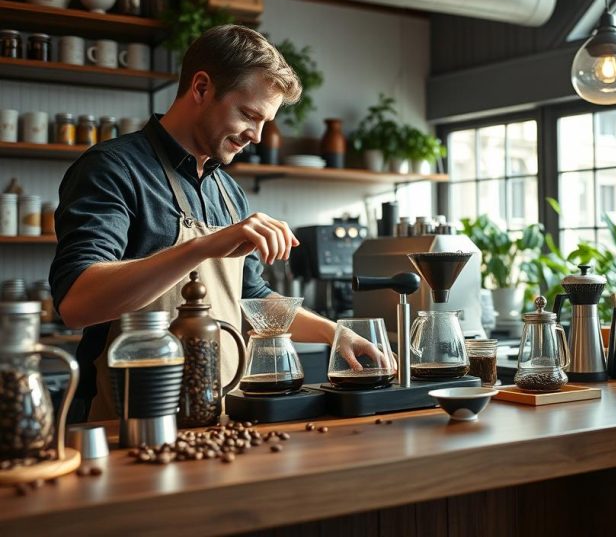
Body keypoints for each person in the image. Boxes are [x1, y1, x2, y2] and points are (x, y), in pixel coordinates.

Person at [50, 25, 374, 423]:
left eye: (265, 122)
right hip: (130, 426)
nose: (255, 136)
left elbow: (251, 299)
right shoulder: (112, 169)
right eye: (249, 115)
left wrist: (334, 332)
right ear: (201, 88)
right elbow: (77, 303)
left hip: (218, 419)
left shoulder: (228, 192)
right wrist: (204, 246)